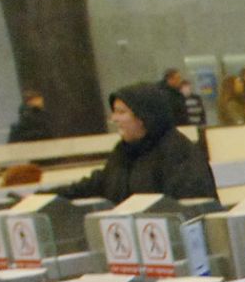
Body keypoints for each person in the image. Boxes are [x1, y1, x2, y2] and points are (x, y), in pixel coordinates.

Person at [51, 83, 219, 204]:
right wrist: (45, 197)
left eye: (121, 112)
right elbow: (95, 185)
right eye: (114, 112)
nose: (114, 119)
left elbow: (191, 206)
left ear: (144, 116)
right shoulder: (123, 153)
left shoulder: (178, 153)